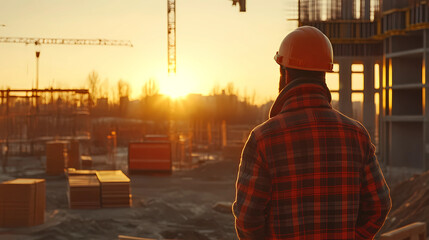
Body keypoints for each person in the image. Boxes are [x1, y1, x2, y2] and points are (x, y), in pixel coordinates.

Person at [232, 26, 391, 240]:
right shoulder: (357, 135)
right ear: (324, 74)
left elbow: (247, 219)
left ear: (283, 72)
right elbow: (379, 206)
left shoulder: (263, 139)